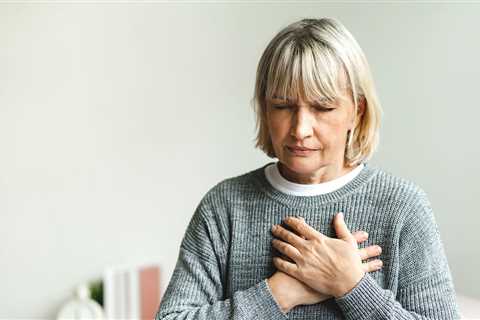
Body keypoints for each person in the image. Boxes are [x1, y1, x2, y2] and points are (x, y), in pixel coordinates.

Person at [155, 17, 460, 319]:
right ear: (264, 108)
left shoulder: (403, 207)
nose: (300, 129)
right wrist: (280, 293)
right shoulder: (224, 205)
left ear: (358, 110)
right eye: (283, 106)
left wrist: (351, 286)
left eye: (323, 107)